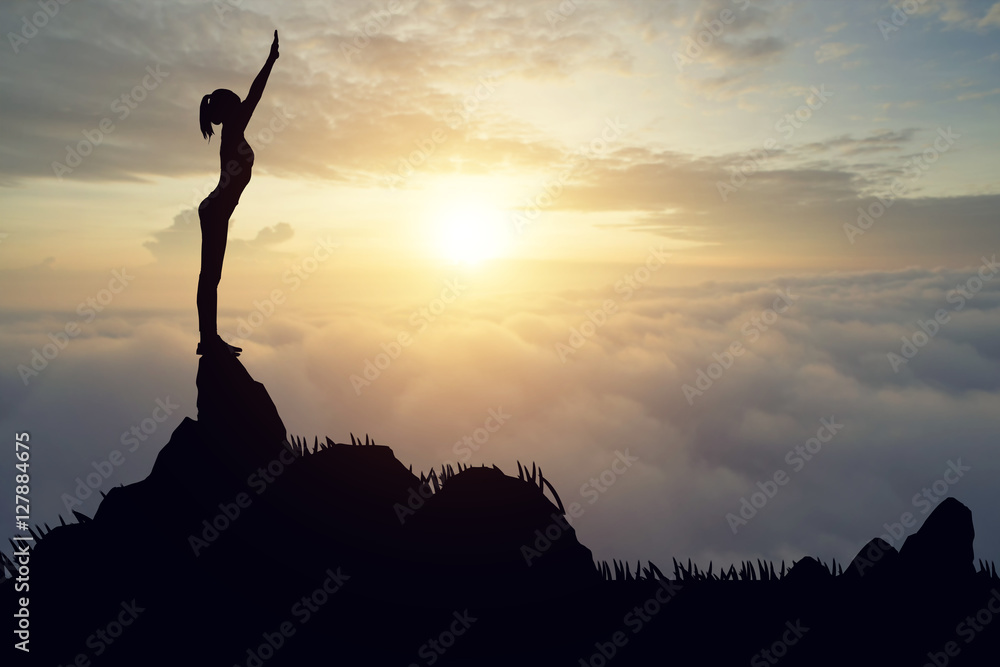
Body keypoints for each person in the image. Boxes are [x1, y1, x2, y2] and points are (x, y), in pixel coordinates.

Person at [196, 30, 279, 356]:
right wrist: (271, 60)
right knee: (210, 275)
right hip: (215, 210)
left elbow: (251, 97)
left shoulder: (232, 132)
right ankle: (209, 340)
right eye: (238, 104)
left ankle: (209, 338)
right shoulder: (232, 131)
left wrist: (271, 59)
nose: (245, 106)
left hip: (215, 209)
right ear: (231, 109)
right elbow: (255, 95)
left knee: (211, 275)